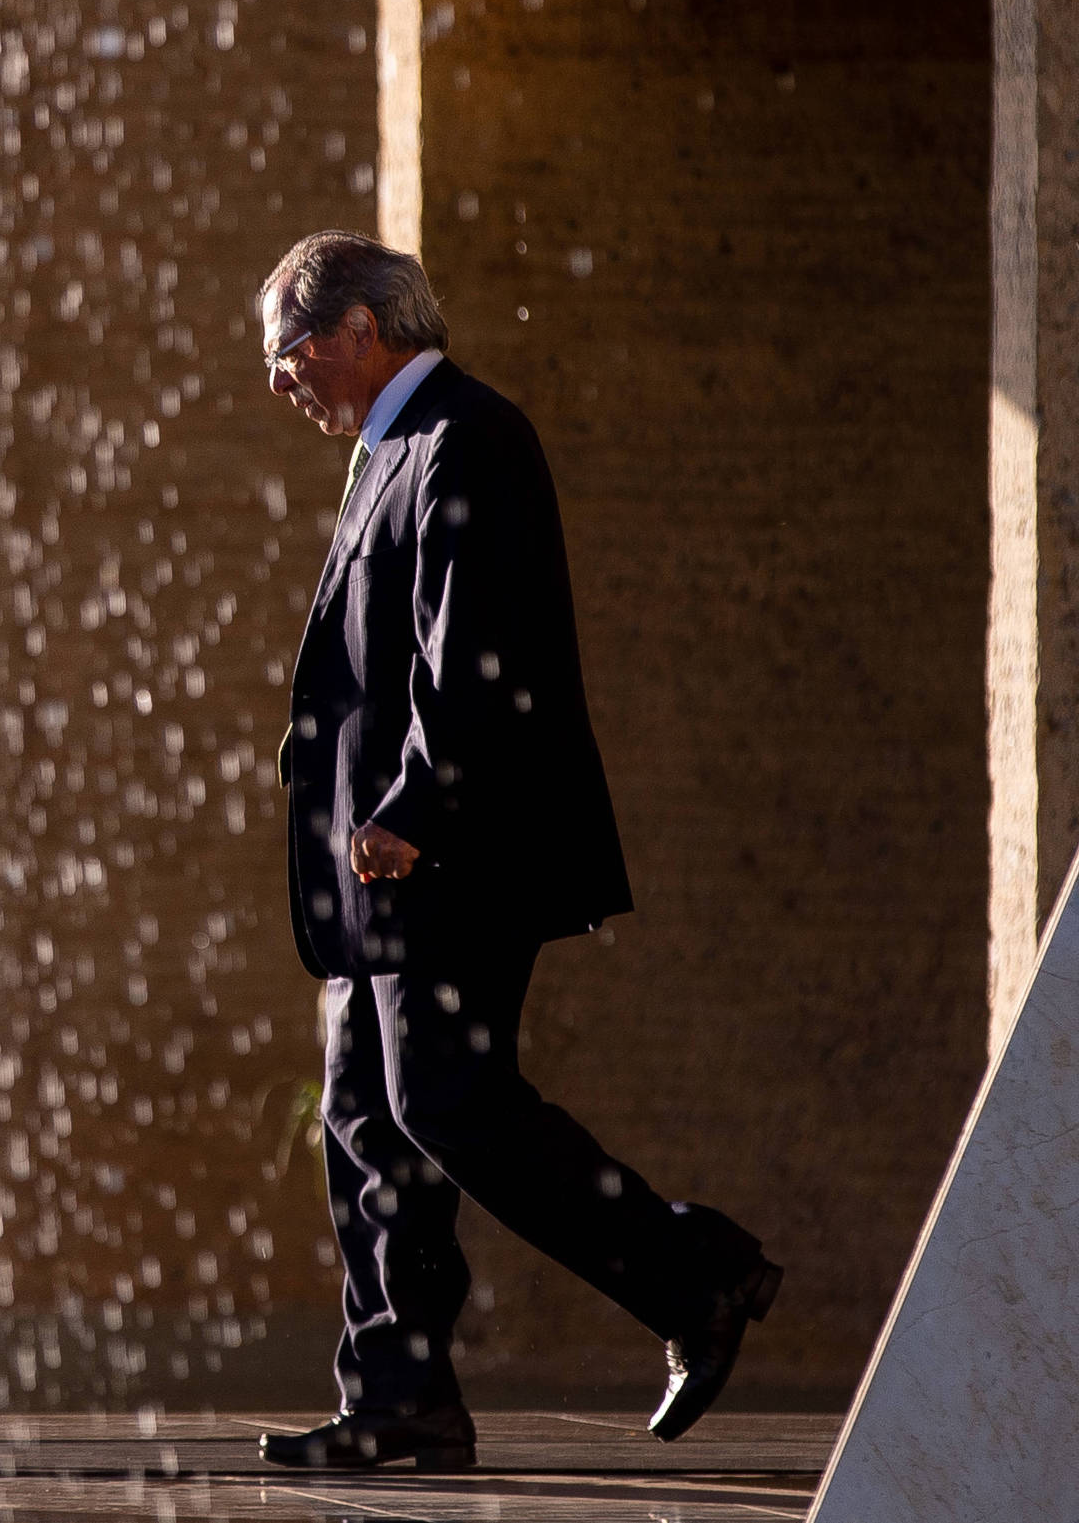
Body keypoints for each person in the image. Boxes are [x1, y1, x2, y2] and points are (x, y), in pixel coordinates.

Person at [255, 230, 781, 1470]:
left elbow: (473, 656)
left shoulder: (464, 436)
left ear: (357, 329)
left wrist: (413, 812)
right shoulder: (396, 449)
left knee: (444, 1098)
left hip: (449, 856)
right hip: (384, 867)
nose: (280, 384)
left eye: (286, 355)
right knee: (366, 1114)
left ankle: (695, 1271)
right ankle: (399, 1399)